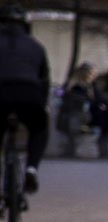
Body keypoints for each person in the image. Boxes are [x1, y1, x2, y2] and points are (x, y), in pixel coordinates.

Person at [0, 4, 49, 193]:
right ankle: (31, 169)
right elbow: (44, 81)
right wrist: (41, 106)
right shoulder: (36, 46)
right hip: (30, 96)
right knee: (39, 128)